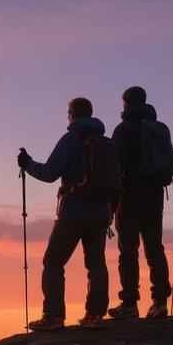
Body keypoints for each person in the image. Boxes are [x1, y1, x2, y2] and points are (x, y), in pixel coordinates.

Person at [18, 97, 119, 330]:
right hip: (100, 214)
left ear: (72, 115)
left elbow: (49, 173)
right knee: (96, 265)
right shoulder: (107, 143)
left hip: (73, 212)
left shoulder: (71, 139)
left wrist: (27, 163)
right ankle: (94, 315)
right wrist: (109, 211)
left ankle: (53, 317)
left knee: (53, 261)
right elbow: (116, 181)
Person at [108, 86, 172, 319]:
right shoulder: (159, 128)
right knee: (155, 247)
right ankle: (160, 301)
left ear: (126, 103)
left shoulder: (124, 129)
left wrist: (111, 201)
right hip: (155, 193)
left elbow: (114, 166)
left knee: (128, 250)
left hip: (130, 193)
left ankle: (129, 304)